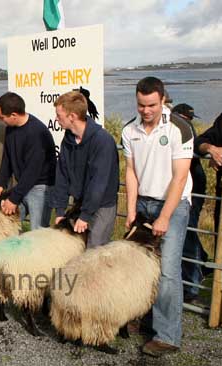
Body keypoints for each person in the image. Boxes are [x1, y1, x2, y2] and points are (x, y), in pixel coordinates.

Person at [122, 77, 192, 357]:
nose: (146, 111)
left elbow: (180, 176)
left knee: (167, 272)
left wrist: (164, 216)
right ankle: (147, 318)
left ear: (162, 100)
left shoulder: (180, 128)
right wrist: (130, 210)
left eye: (151, 105)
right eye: (141, 105)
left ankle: (167, 336)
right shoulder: (129, 130)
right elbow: (130, 171)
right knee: (140, 266)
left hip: (172, 206)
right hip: (143, 204)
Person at [51, 91, 119, 247]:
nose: (56, 119)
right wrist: (60, 211)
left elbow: (98, 183)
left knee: (95, 251)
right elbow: (61, 175)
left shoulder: (102, 141)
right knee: (77, 248)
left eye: (59, 115)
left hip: (102, 206)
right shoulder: (68, 140)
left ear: (72, 116)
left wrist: (85, 216)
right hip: (80, 203)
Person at [0, 92, 56, 230]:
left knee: (37, 232)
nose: (0, 120)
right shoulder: (10, 128)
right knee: (8, 227)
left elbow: (32, 171)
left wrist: (14, 198)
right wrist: (1, 184)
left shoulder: (37, 133)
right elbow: (7, 157)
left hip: (40, 187)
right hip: (23, 185)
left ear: (14, 115)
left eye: (2, 117)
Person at [173, 103, 208, 302]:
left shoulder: (182, 129)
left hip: (191, 184)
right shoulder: (186, 128)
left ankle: (193, 282)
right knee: (189, 231)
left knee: (189, 233)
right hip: (193, 182)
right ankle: (200, 262)